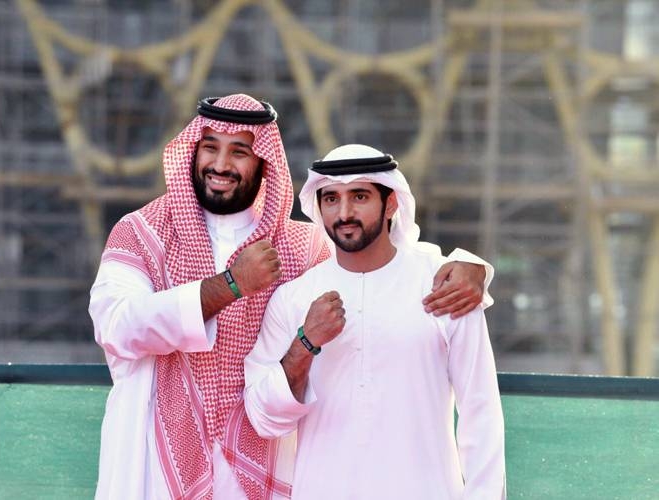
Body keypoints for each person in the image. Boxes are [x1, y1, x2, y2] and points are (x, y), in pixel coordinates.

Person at [89, 94, 493, 499]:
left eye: (240, 152)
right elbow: (117, 326)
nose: (221, 165)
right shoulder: (141, 233)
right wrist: (232, 284)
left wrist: (473, 267)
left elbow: (380, 261)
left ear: (264, 162)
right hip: (158, 453)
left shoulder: (302, 246)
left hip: (257, 469)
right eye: (210, 148)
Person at [244, 144, 506, 499]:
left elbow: (481, 413)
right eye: (332, 199)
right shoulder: (293, 298)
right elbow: (264, 419)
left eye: (360, 196)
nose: (345, 212)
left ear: (391, 203)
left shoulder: (445, 285)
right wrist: (306, 342)